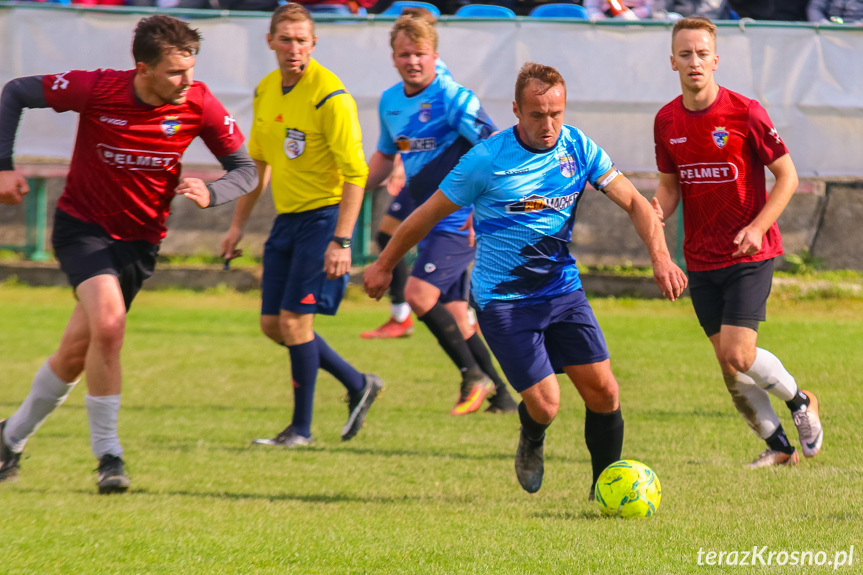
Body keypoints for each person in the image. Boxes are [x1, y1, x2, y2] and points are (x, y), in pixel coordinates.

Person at [364, 62, 687, 495]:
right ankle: (531, 437)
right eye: (537, 114)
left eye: (556, 113)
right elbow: (424, 216)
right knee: (547, 403)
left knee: (605, 394)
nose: (548, 124)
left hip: (562, 292)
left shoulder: (578, 147)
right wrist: (384, 264)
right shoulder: (485, 160)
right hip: (504, 302)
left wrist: (661, 259)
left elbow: (635, 202)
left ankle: (605, 487)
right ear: (517, 110)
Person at [0, 15, 257, 493]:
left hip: (140, 242)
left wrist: (214, 191)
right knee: (111, 323)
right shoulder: (97, 89)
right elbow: (15, 91)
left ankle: (9, 439)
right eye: (177, 72)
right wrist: (3, 167)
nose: (189, 81)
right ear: (143, 68)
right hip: (83, 229)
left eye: (192, 70)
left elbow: (245, 170)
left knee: (77, 352)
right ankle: (109, 456)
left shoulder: (198, 103)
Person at [653, 17, 824, 468]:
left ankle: (800, 400)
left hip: (751, 253)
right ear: (672, 61)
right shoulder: (666, 120)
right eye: (685, 54)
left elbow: (787, 176)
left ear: (715, 59)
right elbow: (670, 187)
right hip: (700, 258)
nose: (694, 62)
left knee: (738, 352)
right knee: (730, 366)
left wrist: (757, 226)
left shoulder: (744, 112)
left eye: (702, 53)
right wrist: (655, 212)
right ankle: (780, 448)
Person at [220, 3, 383, 448]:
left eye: (302, 40)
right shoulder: (265, 90)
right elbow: (258, 162)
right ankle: (357, 382)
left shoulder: (330, 96)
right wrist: (237, 226)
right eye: (286, 39)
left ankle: (301, 429)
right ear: (270, 41)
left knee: (294, 324)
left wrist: (343, 241)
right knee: (273, 325)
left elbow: (356, 173)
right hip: (288, 219)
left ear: (314, 44)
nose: (294, 48)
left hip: (325, 218)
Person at [362, 14, 519, 415]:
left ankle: (472, 375)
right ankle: (501, 395)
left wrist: (483, 211)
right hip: (425, 217)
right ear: (393, 58)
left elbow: (497, 152)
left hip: (458, 218)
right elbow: (384, 155)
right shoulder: (390, 101)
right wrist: (352, 187)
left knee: (418, 294)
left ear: (435, 56)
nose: (412, 61)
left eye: (420, 54)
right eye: (404, 54)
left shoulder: (454, 98)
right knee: (453, 314)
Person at [360, 5, 450, 341]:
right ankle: (409, 313)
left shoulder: (444, 86)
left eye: (420, 43)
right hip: (419, 180)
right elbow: (402, 134)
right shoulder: (396, 94)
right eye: (405, 50)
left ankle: (404, 314)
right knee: (390, 236)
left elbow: (433, 132)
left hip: (441, 187)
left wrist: (399, 166)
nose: (412, 57)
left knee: (392, 239)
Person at [653, 0, 731, 19]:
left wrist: (686, 23)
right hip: (673, 35)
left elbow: (710, 13)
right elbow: (659, 10)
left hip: (713, 37)